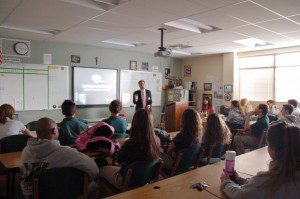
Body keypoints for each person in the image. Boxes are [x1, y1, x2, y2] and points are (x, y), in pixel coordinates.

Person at [20, 117, 99, 198]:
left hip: (36, 194)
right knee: (94, 185)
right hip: (68, 193)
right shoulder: (68, 153)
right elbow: (94, 169)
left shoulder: (26, 151)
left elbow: (23, 172)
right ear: (54, 130)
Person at [221, 122, 300, 199]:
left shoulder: (266, 180)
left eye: (268, 145)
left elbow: (239, 195)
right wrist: (239, 180)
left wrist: (226, 182)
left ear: (273, 150)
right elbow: (258, 188)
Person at [98, 109, 161, 189]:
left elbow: (118, 160)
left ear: (135, 123)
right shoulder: (157, 141)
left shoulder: (130, 143)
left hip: (126, 181)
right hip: (145, 180)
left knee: (100, 169)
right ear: (151, 123)